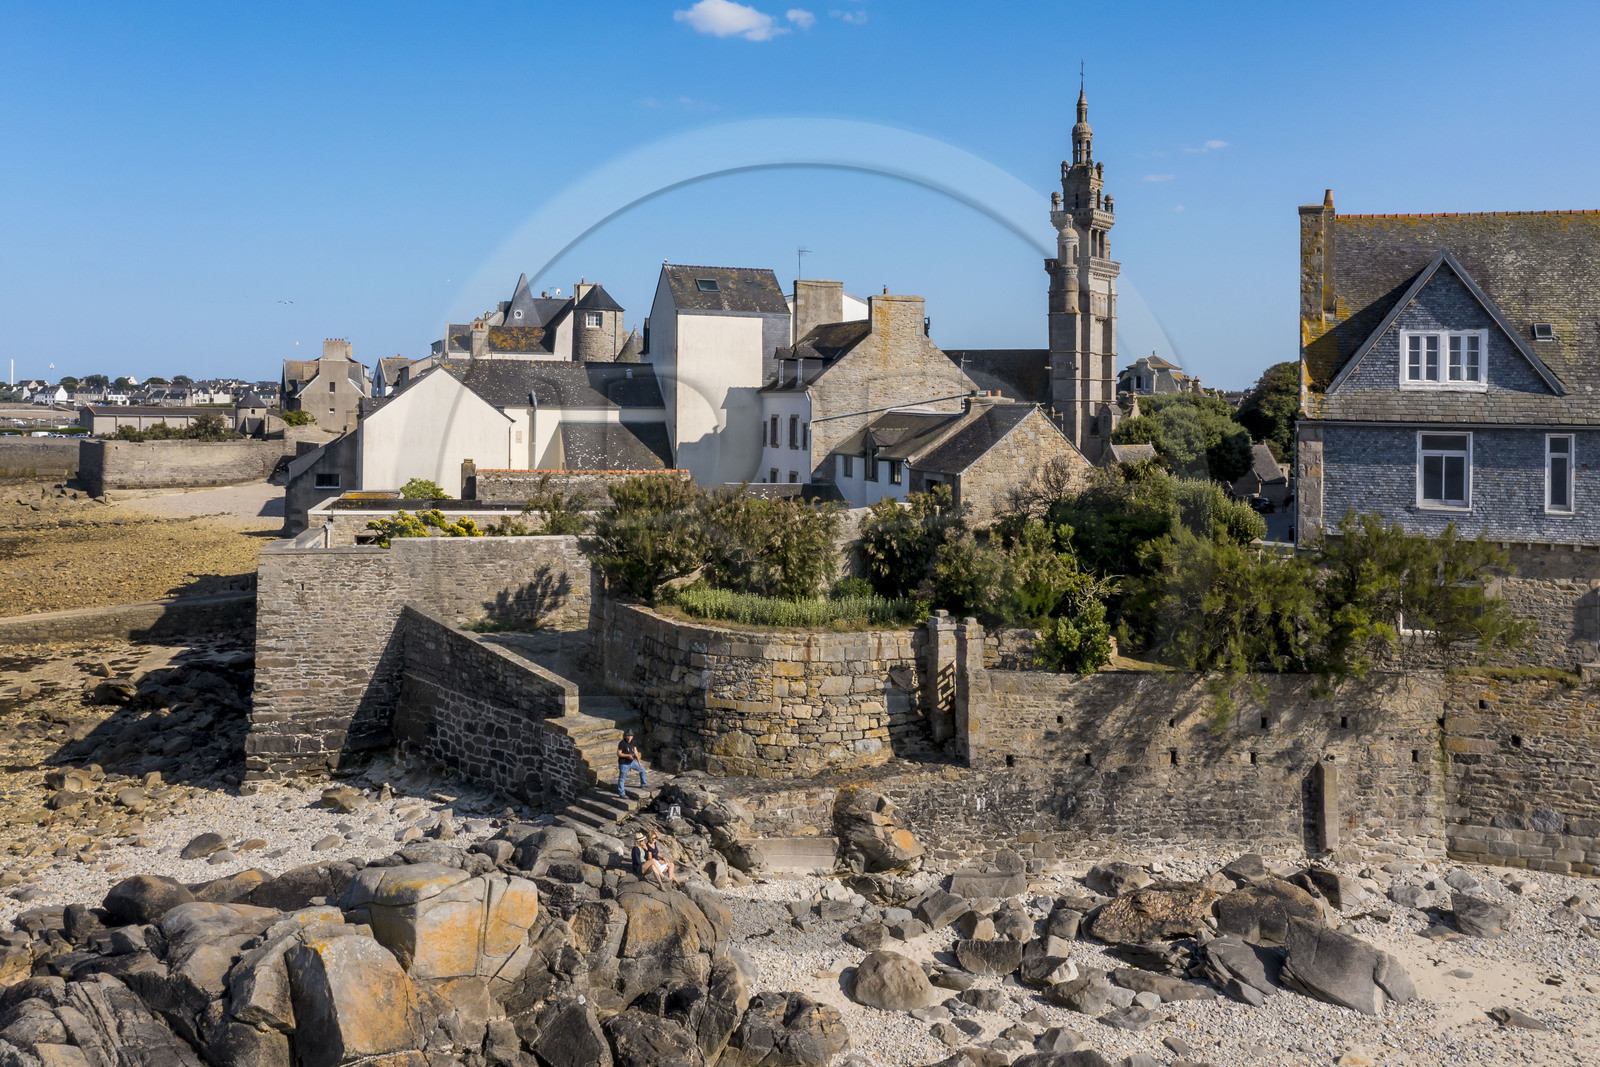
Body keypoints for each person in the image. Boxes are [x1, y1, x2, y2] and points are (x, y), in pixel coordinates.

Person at [617, 730, 646, 798]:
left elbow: (635, 751)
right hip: (624, 763)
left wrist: (639, 761)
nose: (629, 737)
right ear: (625, 736)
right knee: (622, 778)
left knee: (642, 769)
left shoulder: (633, 741)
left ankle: (644, 784)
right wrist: (627, 755)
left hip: (632, 762)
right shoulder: (622, 743)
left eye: (631, 736)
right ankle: (622, 793)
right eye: (628, 736)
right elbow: (619, 753)